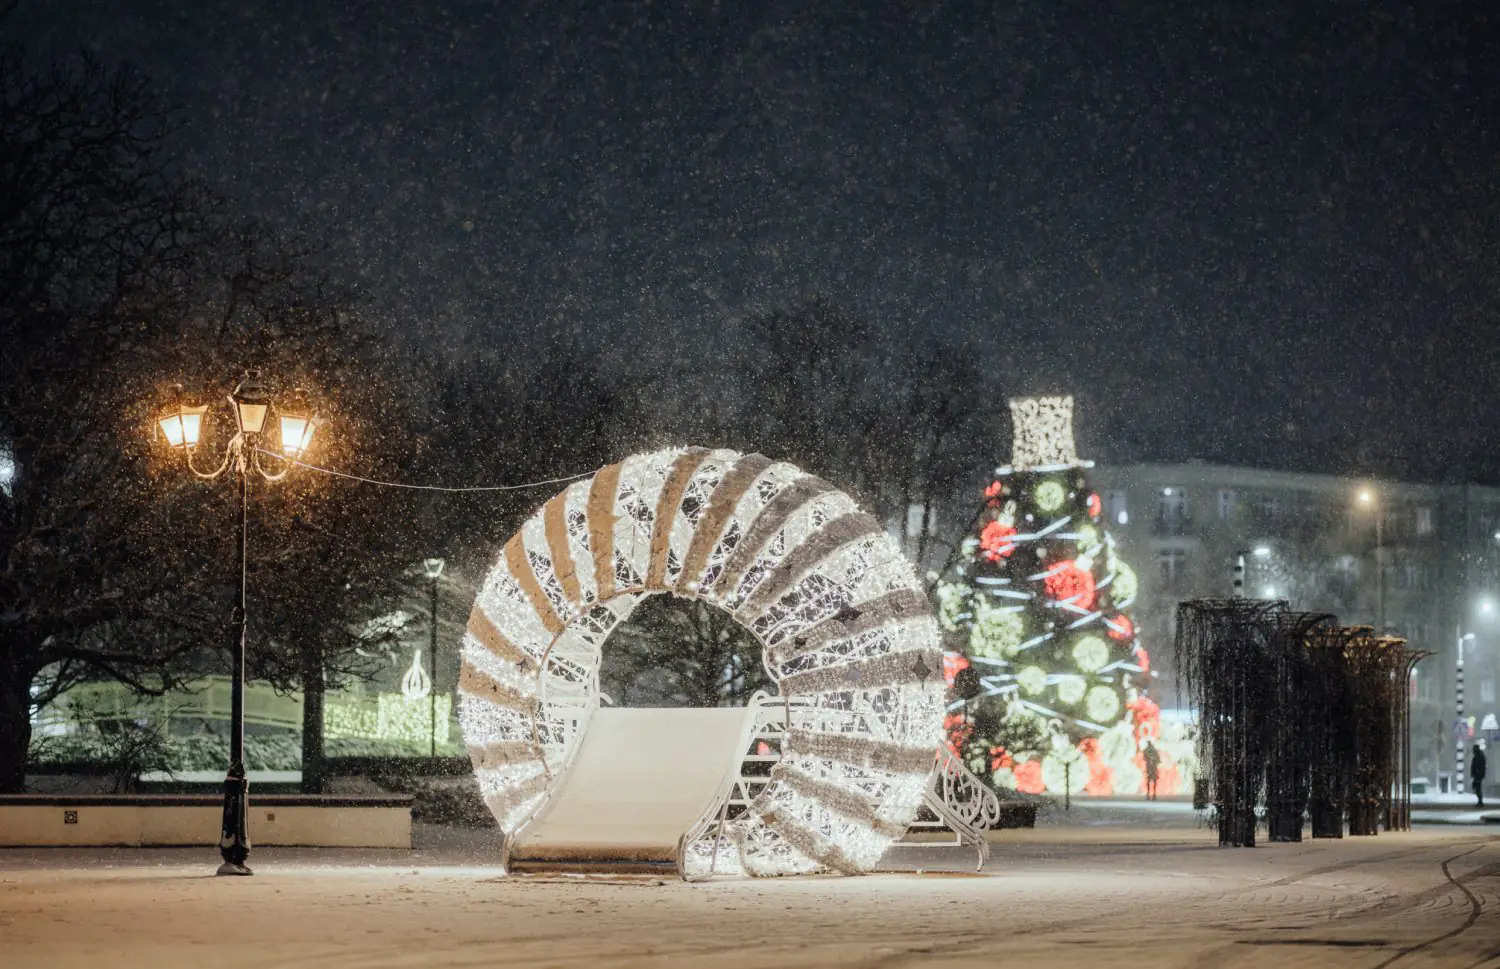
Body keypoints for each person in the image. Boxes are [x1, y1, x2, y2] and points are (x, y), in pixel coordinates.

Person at [1473, 744, 1487, 809]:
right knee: (1476, 787)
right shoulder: (1478, 755)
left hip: (1478, 774)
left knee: (1477, 787)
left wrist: (1478, 772)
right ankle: (1480, 801)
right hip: (1477, 774)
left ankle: (1480, 801)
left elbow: (1480, 765)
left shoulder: (1480, 756)